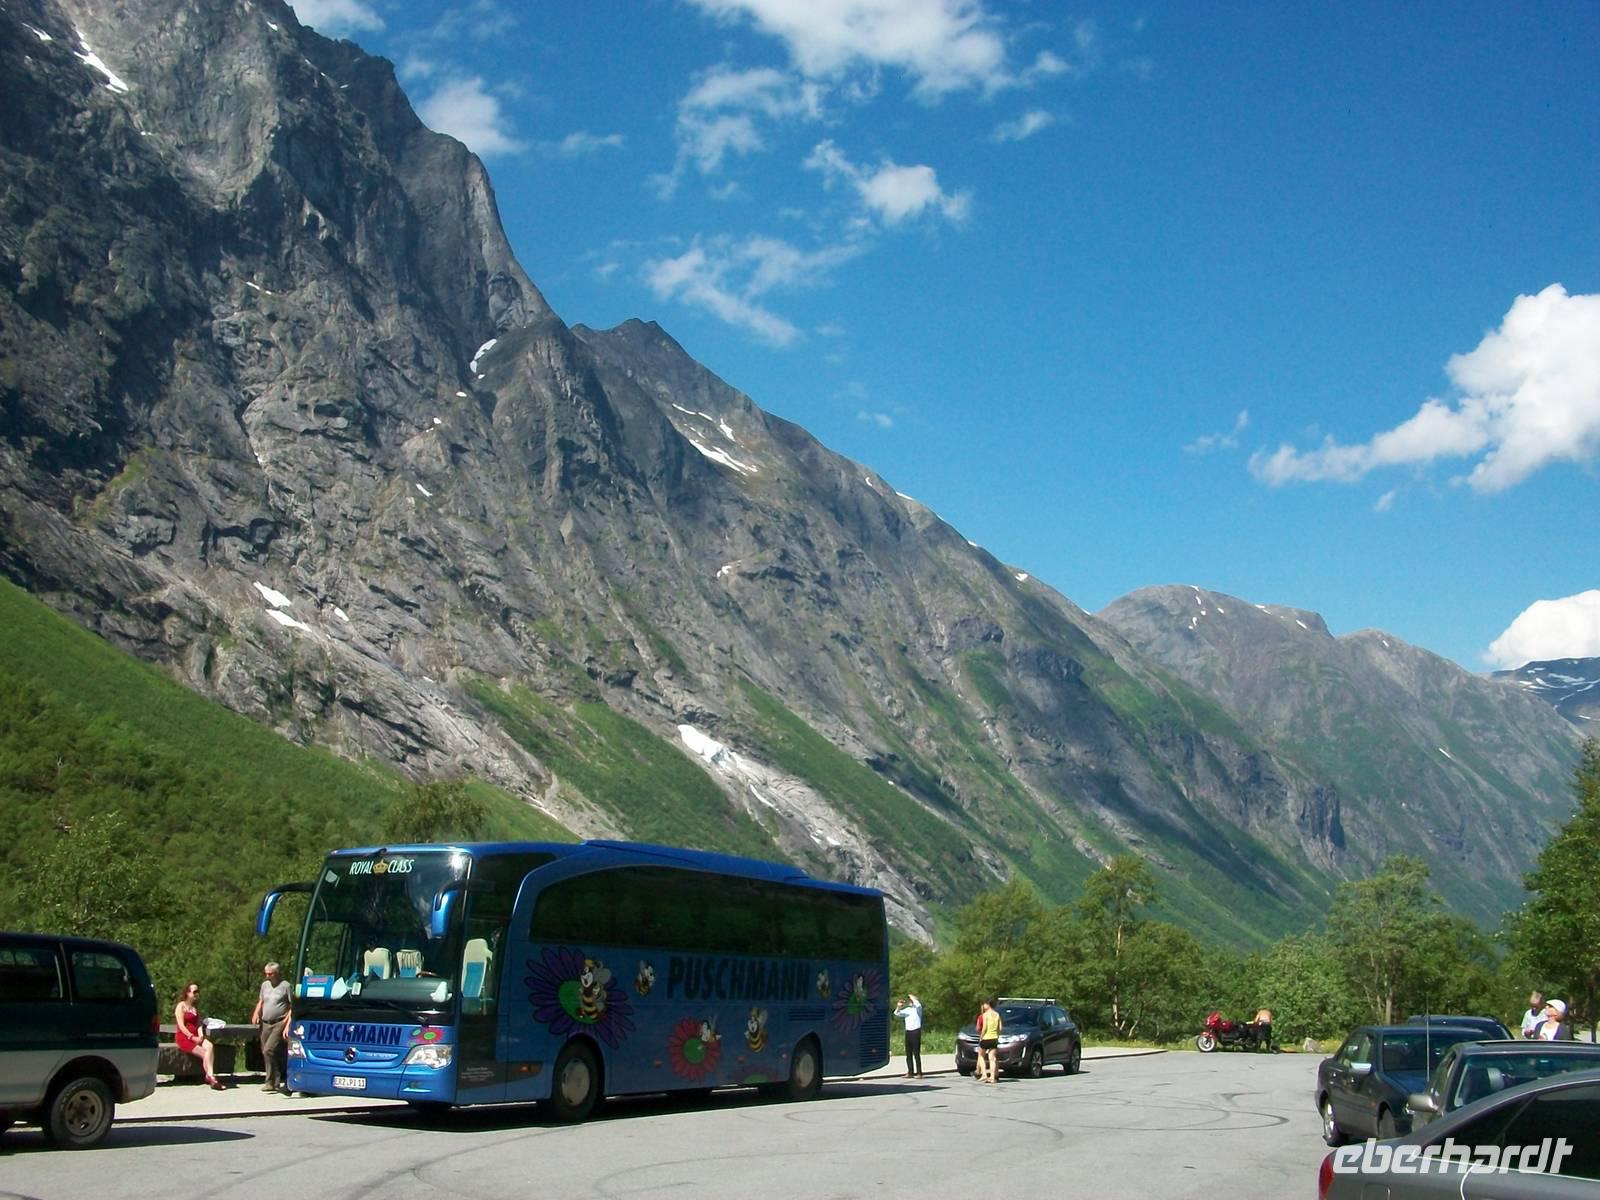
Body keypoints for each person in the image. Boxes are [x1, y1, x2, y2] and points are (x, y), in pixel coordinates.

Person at [174, 982, 225, 1090]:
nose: (197, 994)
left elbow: (198, 1024)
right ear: (187, 993)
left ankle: (209, 1075)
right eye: (194, 992)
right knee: (203, 1053)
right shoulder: (181, 1006)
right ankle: (212, 1078)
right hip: (184, 1037)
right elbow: (181, 1025)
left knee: (209, 1046)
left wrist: (201, 1036)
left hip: (196, 1036)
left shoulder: (195, 1008)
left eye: (198, 992)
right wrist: (192, 1037)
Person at [252, 962, 293, 1093]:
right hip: (265, 1022)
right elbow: (261, 1001)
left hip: (279, 1022)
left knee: (268, 1050)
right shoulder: (265, 985)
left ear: (277, 973)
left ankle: (270, 1080)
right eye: (266, 974)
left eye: (270, 974)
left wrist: (287, 1022)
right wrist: (256, 1013)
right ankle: (275, 1080)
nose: (267, 976)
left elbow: (292, 1006)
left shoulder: (285, 986)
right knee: (266, 1051)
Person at [893, 994, 925, 1078]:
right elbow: (896, 1013)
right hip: (908, 1032)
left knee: (916, 1053)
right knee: (908, 1053)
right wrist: (899, 1006)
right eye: (909, 1001)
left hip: (916, 1032)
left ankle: (919, 1073)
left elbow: (917, 1003)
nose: (909, 1002)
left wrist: (912, 997)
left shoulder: (918, 1009)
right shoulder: (907, 1010)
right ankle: (910, 1072)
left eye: (911, 1000)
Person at [977, 999, 1002, 1085]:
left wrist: (981, 1037)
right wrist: (997, 1035)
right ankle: (992, 1077)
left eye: (984, 1004)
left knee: (981, 1056)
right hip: (994, 1038)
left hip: (986, 1038)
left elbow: (984, 1027)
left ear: (988, 1005)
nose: (983, 1006)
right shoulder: (997, 1014)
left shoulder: (985, 1015)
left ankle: (984, 1075)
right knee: (992, 1058)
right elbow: (1000, 1028)